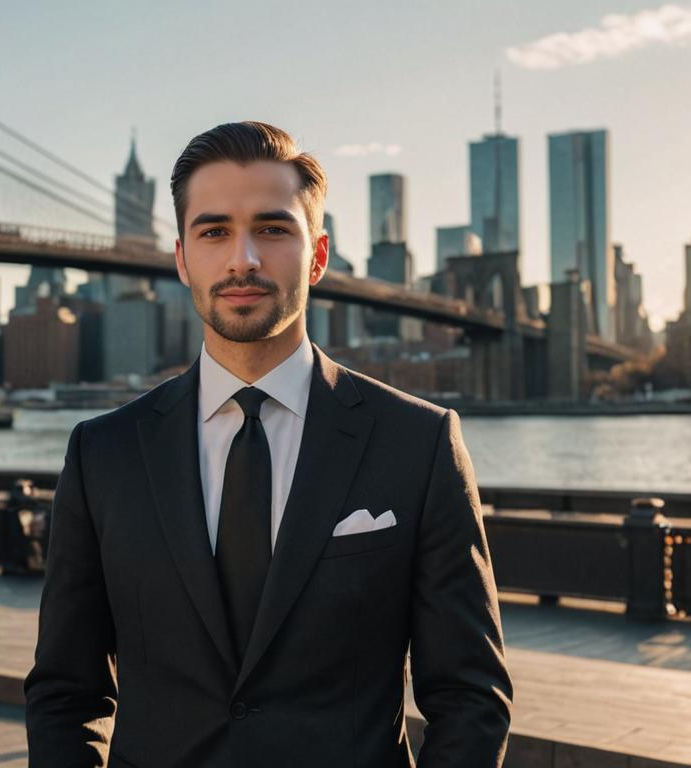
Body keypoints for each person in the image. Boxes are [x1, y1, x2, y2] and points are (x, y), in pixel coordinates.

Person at [25, 122, 512, 767]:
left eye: (273, 229)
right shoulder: (103, 453)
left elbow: (471, 695)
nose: (242, 259)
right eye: (214, 231)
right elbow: (66, 690)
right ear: (181, 258)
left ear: (317, 255)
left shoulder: (418, 443)